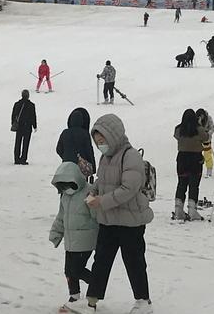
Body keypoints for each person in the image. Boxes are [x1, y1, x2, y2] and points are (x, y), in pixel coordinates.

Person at [62, 114, 153, 313]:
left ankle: (143, 301)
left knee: (134, 262)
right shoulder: (105, 158)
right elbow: (101, 181)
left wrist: (101, 201)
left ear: (114, 135)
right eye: (97, 142)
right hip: (108, 221)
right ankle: (91, 302)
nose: (100, 145)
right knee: (101, 262)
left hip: (131, 222)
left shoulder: (130, 156)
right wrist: (92, 192)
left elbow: (129, 189)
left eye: (102, 140)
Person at [50, 161, 99, 307]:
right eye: (63, 186)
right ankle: (74, 296)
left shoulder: (89, 192)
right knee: (68, 271)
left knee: (77, 270)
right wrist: (56, 232)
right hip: (70, 241)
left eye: (68, 185)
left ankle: (97, 284)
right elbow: (61, 216)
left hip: (86, 240)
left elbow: (97, 216)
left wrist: (93, 204)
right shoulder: (65, 196)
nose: (67, 189)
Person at [173, 109, 210, 221]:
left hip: (182, 159)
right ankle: (192, 210)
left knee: (181, 184)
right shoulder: (199, 129)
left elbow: (176, 136)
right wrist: (199, 124)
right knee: (194, 185)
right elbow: (206, 137)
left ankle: (178, 210)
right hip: (195, 159)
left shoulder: (178, 129)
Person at [57, 107, 97, 178]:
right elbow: (89, 151)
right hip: (81, 167)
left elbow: (58, 149)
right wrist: (93, 167)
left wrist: (66, 157)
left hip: (67, 167)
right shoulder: (85, 133)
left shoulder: (65, 133)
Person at [12, 90, 38, 165]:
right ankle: (23, 159)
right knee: (26, 144)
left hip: (19, 126)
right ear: (28, 96)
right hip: (27, 127)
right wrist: (34, 126)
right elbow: (33, 116)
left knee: (18, 142)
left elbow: (13, 115)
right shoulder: (31, 105)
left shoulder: (17, 104)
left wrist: (13, 123)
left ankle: (16, 159)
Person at [197, 109, 214, 178]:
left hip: (207, 139)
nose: (201, 117)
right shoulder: (196, 119)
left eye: (201, 116)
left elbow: (212, 128)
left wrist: (207, 134)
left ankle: (209, 169)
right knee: (197, 155)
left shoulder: (209, 118)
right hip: (198, 140)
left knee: (207, 155)